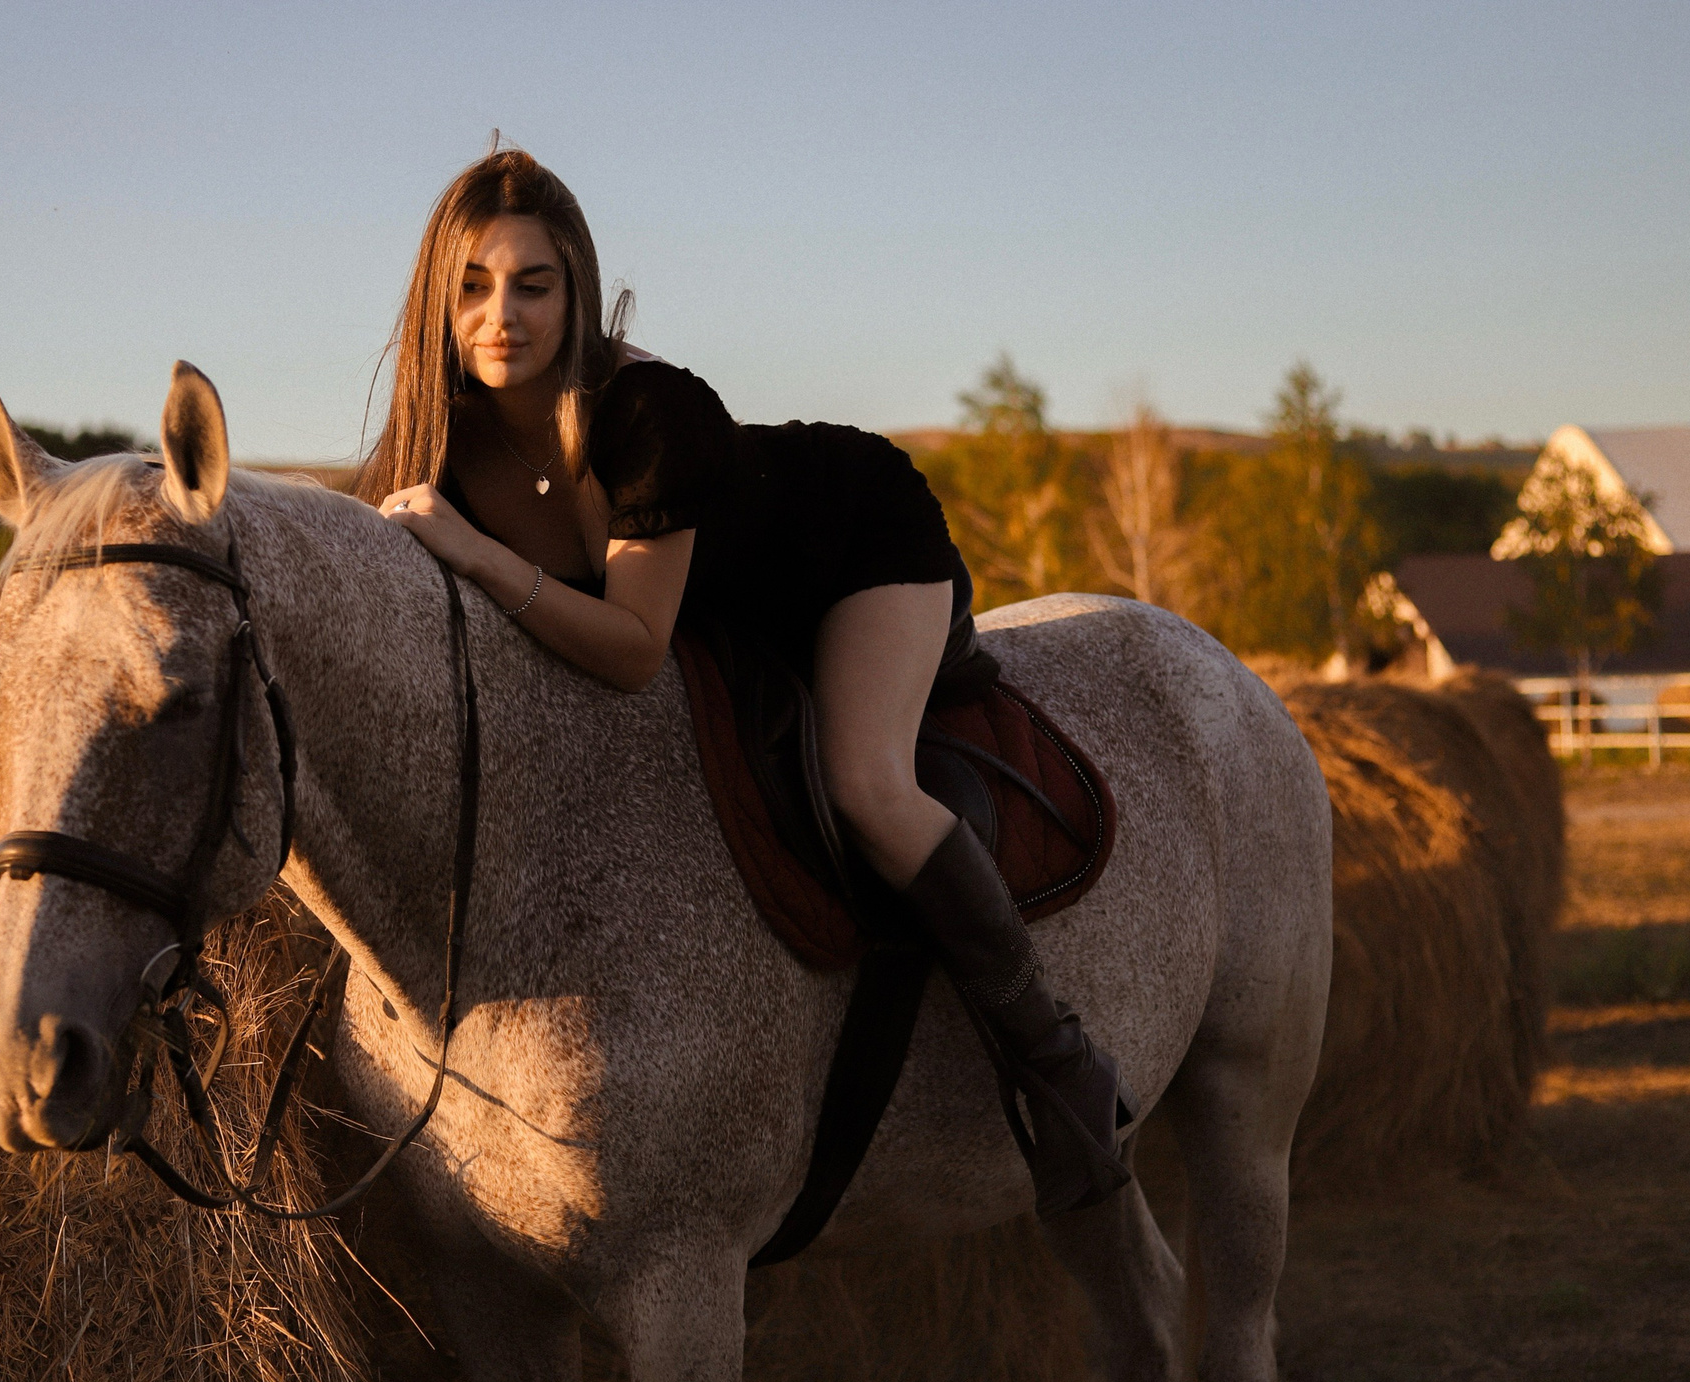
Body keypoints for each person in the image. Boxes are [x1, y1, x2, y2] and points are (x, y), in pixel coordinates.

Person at [362, 148, 1130, 1217]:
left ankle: (1054, 1061)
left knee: (866, 783)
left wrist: (480, 555)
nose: (502, 317)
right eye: (473, 288)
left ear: (575, 292)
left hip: (847, 548)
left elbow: (632, 648)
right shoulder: (437, 444)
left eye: (533, 286)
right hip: (711, 607)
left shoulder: (644, 417)